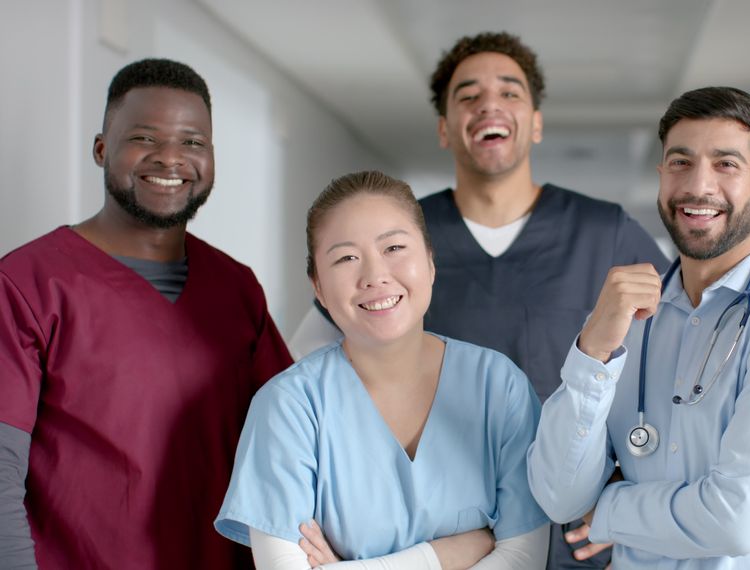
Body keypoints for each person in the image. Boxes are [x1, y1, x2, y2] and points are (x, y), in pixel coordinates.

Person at [289, 31, 668, 568]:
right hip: (430, 539)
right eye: (467, 95)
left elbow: (681, 370)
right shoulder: (397, 234)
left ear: (535, 121)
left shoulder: (602, 232)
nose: (489, 104)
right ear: (445, 128)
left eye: (510, 92)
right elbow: (313, 373)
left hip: (571, 537)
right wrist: (329, 508)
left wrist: (634, 499)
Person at [527, 86, 750, 568]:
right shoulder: (625, 322)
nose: (698, 186)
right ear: (662, 176)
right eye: (680, 162)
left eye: (726, 164)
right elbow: (558, 497)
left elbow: (740, 519)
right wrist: (592, 351)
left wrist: (610, 510)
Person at [0, 58, 293, 568]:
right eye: (145, 137)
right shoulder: (28, 283)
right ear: (100, 149)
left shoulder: (236, 288)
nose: (170, 159)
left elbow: (295, 441)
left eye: (192, 142)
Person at [214, 171, 550, 569]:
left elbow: (523, 560)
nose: (374, 276)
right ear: (318, 287)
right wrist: (443, 556)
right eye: (346, 258)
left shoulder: (499, 386)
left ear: (429, 261)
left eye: (393, 247)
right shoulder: (288, 406)